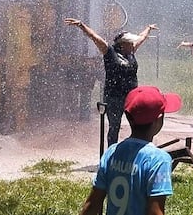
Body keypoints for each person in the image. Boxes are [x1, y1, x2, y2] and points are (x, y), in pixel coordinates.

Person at [79, 86, 182, 215]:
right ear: (159, 119)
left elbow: (92, 206)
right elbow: (155, 212)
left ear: (128, 117)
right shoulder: (158, 160)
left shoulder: (111, 152)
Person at [64, 18, 157, 146]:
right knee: (115, 126)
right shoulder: (110, 53)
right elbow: (95, 37)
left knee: (138, 124)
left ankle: (136, 149)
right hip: (114, 97)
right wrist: (81, 25)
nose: (133, 45)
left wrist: (148, 28)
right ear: (122, 44)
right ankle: (111, 152)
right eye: (130, 43)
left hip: (131, 96)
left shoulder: (131, 52)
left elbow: (141, 38)